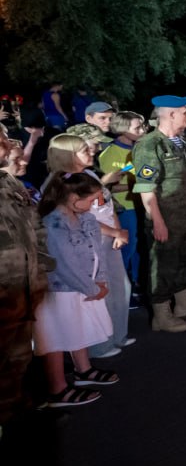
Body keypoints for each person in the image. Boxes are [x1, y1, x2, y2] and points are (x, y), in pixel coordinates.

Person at [34, 172, 118, 407]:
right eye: (90, 200)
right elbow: (63, 263)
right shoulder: (53, 223)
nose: (93, 205)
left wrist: (100, 281)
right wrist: (90, 287)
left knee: (77, 328)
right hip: (61, 289)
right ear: (72, 197)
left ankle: (83, 370)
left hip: (84, 285)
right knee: (57, 336)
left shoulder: (86, 218)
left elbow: (96, 252)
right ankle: (58, 389)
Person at [45, 134, 133, 357]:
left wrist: (118, 231)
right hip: (88, 244)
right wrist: (113, 231)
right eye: (85, 149)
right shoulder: (59, 183)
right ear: (67, 154)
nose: (92, 152)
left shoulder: (90, 174)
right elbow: (81, 219)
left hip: (109, 239)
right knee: (96, 293)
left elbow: (107, 206)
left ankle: (117, 335)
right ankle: (99, 345)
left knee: (119, 288)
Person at [133, 95, 186, 332]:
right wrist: (157, 221)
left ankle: (184, 303)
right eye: (185, 112)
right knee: (163, 266)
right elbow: (146, 188)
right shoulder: (150, 145)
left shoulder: (181, 142)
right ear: (170, 114)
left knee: (185, 260)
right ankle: (161, 314)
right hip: (166, 218)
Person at [0, 128, 49, 423]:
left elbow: (35, 229)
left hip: (23, 289)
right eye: (1, 140)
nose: (7, 144)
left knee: (18, 358)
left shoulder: (10, 184)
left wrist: (43, 271)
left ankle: (17, 407)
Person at [97, 111, 146, 289]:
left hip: (141, 205)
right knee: (127, 249)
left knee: (139, 248)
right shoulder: (109, 154)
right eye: (138, 127)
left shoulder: (140, 148)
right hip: (124, 208)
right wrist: (139, 187)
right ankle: (121, 288)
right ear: (122, 130)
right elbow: (105, 186)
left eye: (143, 125)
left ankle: (136, 283)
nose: (143, 130)